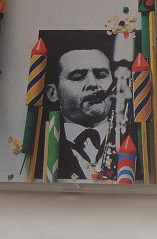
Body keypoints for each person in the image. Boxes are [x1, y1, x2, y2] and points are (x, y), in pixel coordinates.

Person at [45, 46, 117, 181]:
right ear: (53, 93)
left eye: (101, 75)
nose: (93, 84)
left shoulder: (131, 141)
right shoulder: (42, 149)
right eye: (77, 77)